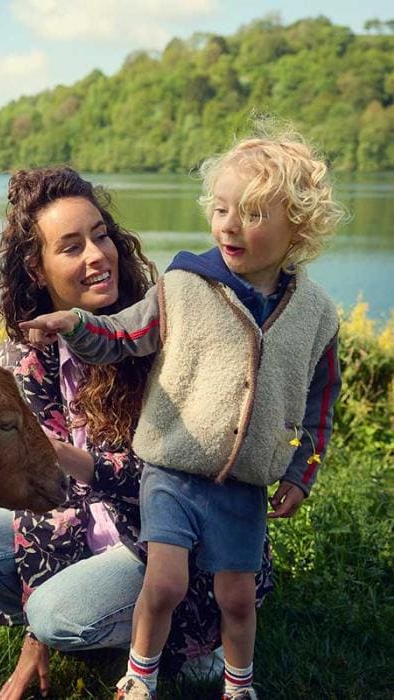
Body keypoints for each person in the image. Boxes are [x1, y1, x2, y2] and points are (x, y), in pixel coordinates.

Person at [21, 134, 344, 700]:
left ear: (298, 224)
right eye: (220, 210)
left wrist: (301, 473)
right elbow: (124, 335)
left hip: (244, 485)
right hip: (169, 471)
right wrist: (76, 325)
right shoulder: (182, 286)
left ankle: (236, 683)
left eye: (251, 214)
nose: (228, 226)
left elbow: (320, 411)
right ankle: (139, 678)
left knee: (237, 599)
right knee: (164, 582)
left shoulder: (317, 316)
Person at [0, 165, 273, 700]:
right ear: (37, 267)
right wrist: (34, 639)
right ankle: (111, 629)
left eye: (101, 236)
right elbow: (37, 500)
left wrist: (75, 462)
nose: (97, 255)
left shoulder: (157, 328)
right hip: (89, 527)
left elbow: (193, 464)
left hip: (176, 535)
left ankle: (192, 641)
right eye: (71, 247)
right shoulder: (22, 359)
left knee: (55, 615)